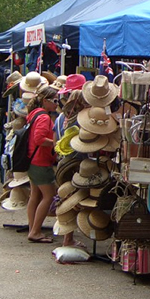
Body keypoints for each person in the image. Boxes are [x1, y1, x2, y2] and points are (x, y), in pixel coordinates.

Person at [53, 88, 88, 247]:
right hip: (76, 163)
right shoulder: (82, 119)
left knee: (65, 198)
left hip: (62, 164)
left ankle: (66, 235)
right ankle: (68, 239)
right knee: (73, 201)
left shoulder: (60, 118)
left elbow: (55, 143)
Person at [26, 86, 58, 243]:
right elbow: (39, 139)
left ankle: (33, 228)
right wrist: (56, 143)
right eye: (55, 101)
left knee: (35, 195)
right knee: (49, 196)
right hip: (40, 161)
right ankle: (35, 231)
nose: (57, 104)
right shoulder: (44, 117)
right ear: (45, 101)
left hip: (32, 159)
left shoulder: (34, 114)